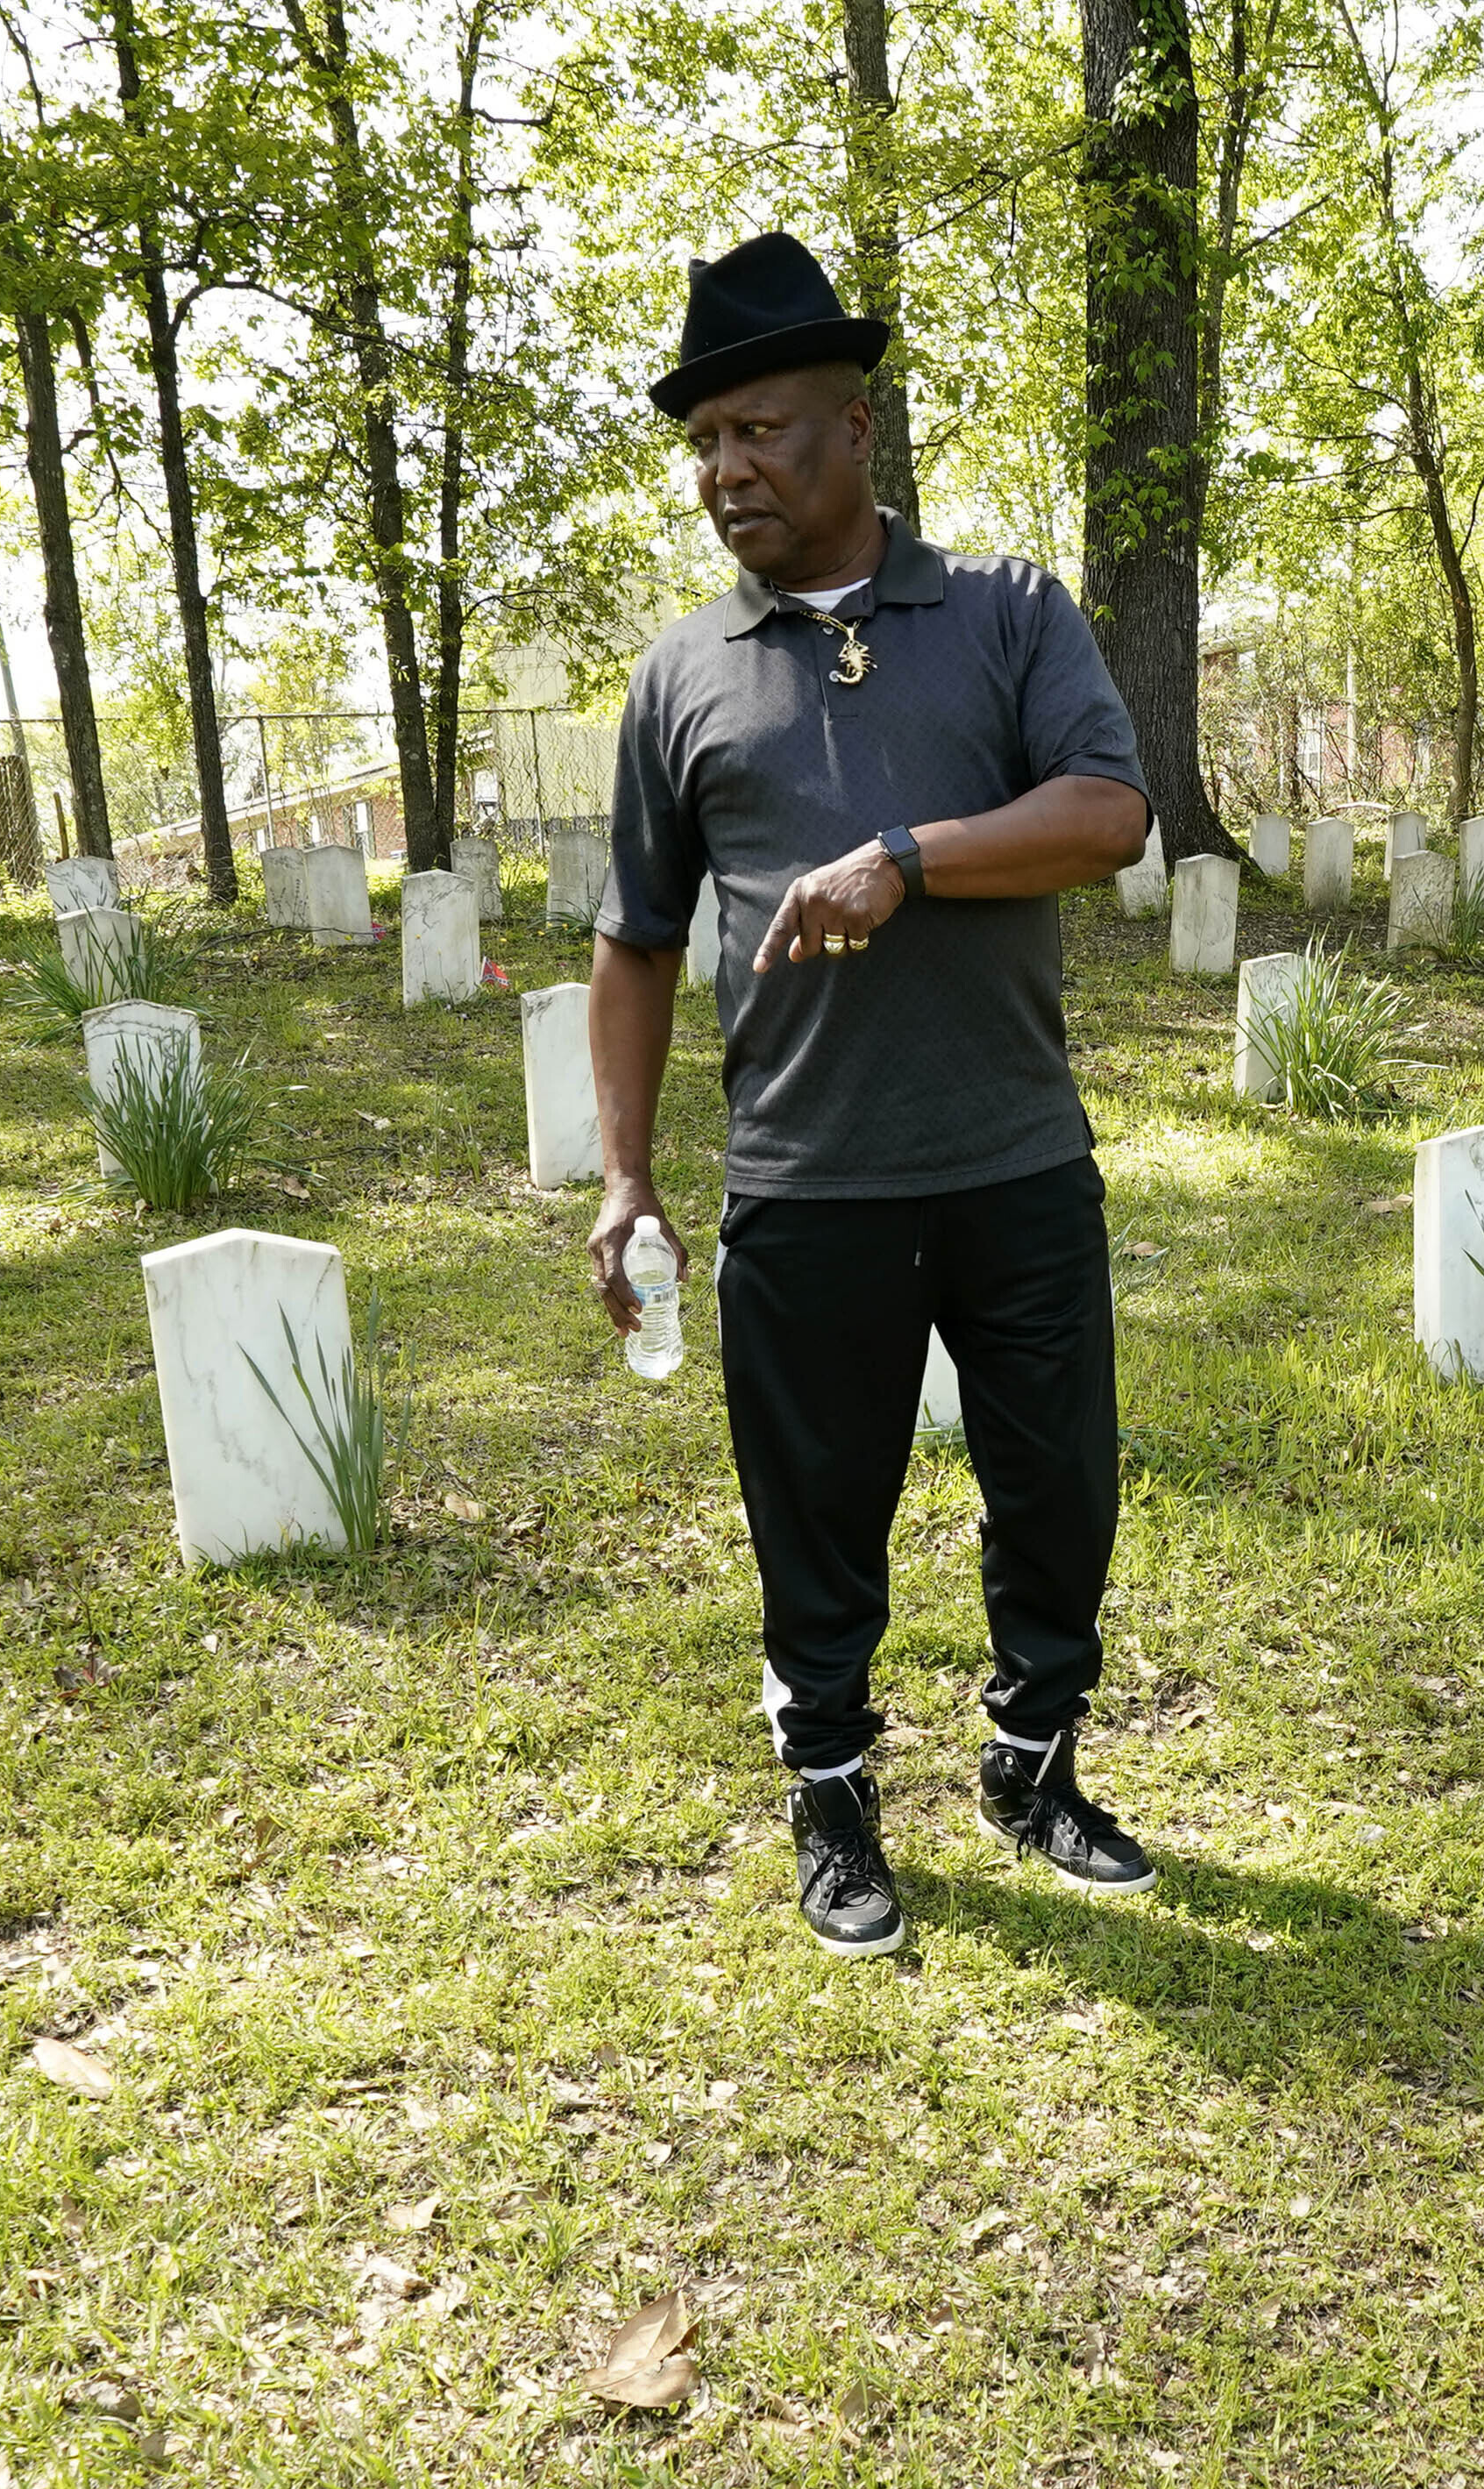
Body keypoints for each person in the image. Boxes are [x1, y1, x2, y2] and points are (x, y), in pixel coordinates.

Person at [582, 232, 1161, 1959]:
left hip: (1012, 1158)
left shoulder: (1005, 615)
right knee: (814, 1511)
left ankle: (1033, 1757)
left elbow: (1110, 814)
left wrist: (909, 857)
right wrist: (627, 1178)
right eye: (703, 446)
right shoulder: (681, 679)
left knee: (1055, 1486)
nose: (724, 472)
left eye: (758, 432)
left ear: (854, 426)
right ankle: (831, 1792)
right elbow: (635, 944)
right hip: (808, 1177)